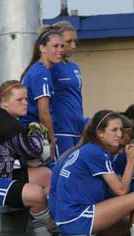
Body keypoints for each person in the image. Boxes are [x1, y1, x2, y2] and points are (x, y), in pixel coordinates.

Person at [50, 110, 134, 236]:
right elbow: (121, 191)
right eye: (114, 130)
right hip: (77, 218)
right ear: (100, 133)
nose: (119, 134)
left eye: (120, 130)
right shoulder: (94, 151)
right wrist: (132, 161)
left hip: (72, 217)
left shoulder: (91, 150)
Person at [0, 80, 57, 236]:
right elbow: (34, 151)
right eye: (19, 100)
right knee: (36, 194)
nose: (25, 103)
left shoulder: (5, 119)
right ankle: (52, 229)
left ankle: (38, 222)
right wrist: (36, 132)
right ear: (4, 102)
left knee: (46, 175)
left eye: (26, 99)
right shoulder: (6, 123)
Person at [20, 26, 64, 162]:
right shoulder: (41, 73)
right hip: (33, 133)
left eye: (62, 46)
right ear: (42, 48)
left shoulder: (42, 70)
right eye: (55, 46)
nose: (60, 50)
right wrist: (51, 140)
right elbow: (43, 113)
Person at [50, 21, 87, 157]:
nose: (73, 46)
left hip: (77, 127)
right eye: (69, 41)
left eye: (75, 41)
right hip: (61, 129)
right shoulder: (51, 67)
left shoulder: (74, 67)